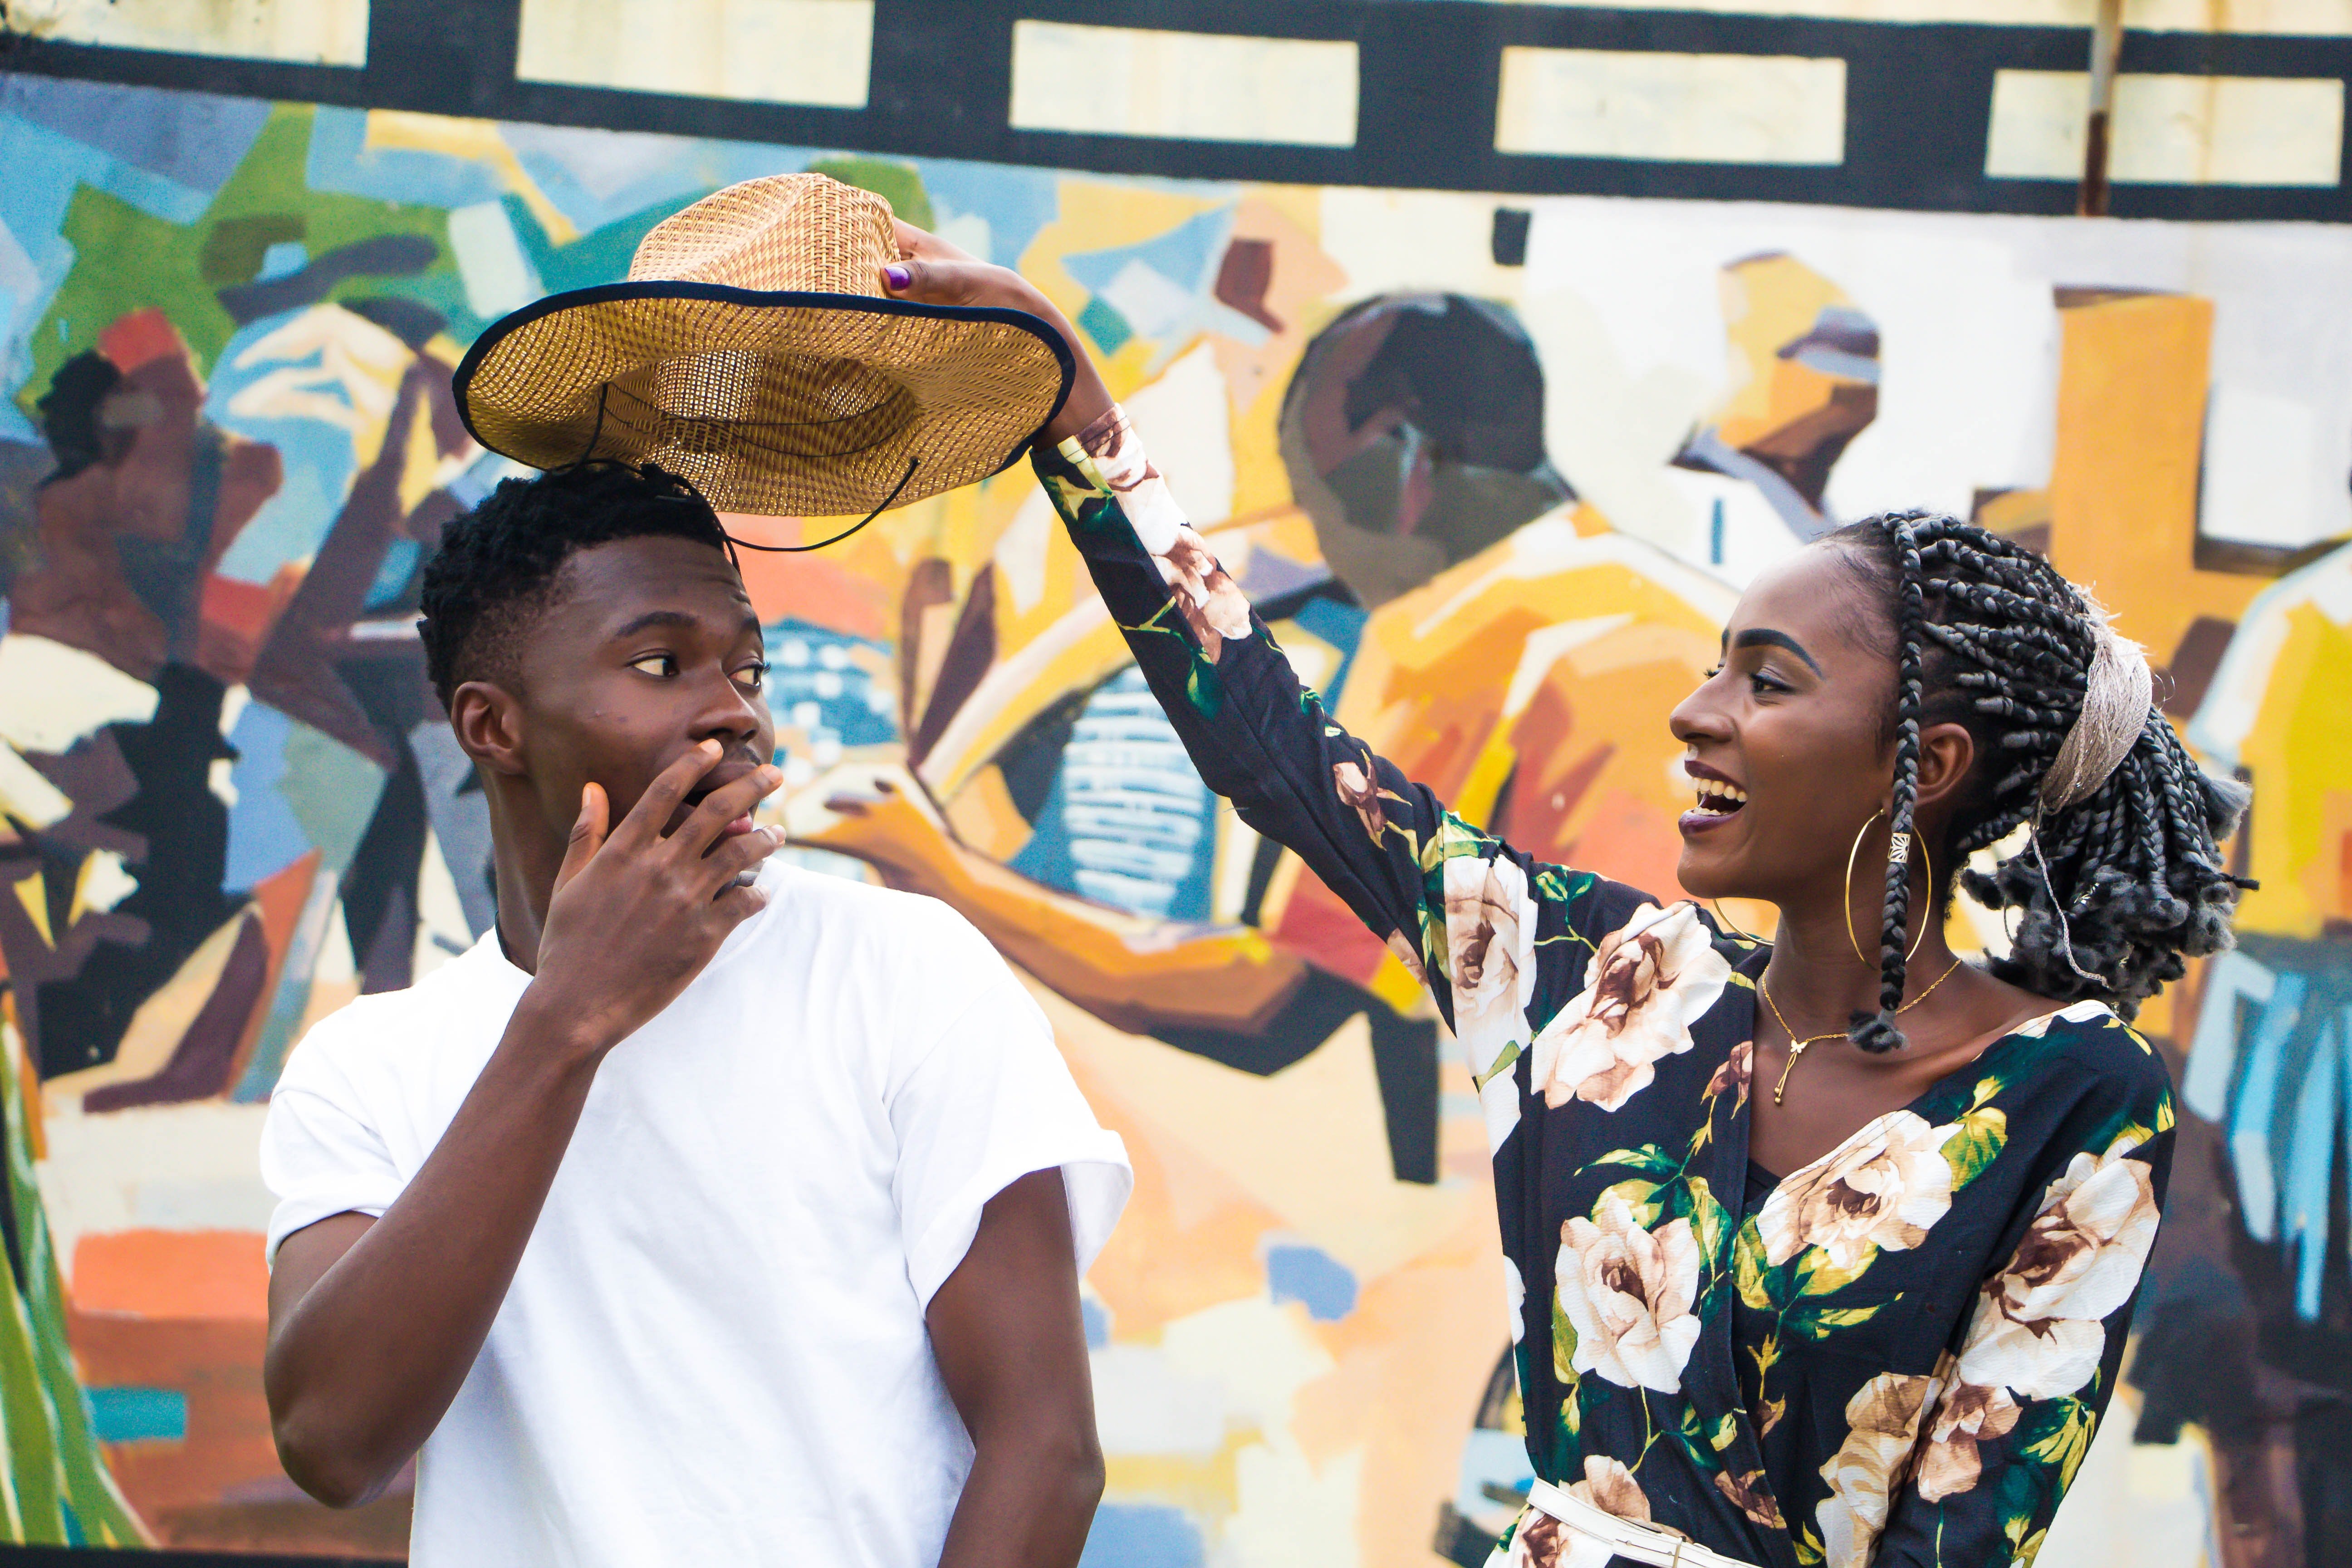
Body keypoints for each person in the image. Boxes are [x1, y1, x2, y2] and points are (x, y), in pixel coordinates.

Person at [878, 225, 2250, 1566]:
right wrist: (1080, 425)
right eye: (1717, 667)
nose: (1695, 714)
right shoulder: (1600, 975)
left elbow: (1965, 1528)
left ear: (1926, 768)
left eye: (1767, 682)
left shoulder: (2076, 1092)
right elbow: (1273, 746)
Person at [259, 176, 1133, 1568]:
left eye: (747, 664)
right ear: (493, 727)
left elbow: (1047, 1450)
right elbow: (336, 1444)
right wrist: (570, 1021)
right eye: (663, 662)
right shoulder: (370, 1071)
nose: (734, 706)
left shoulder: (900, 973)